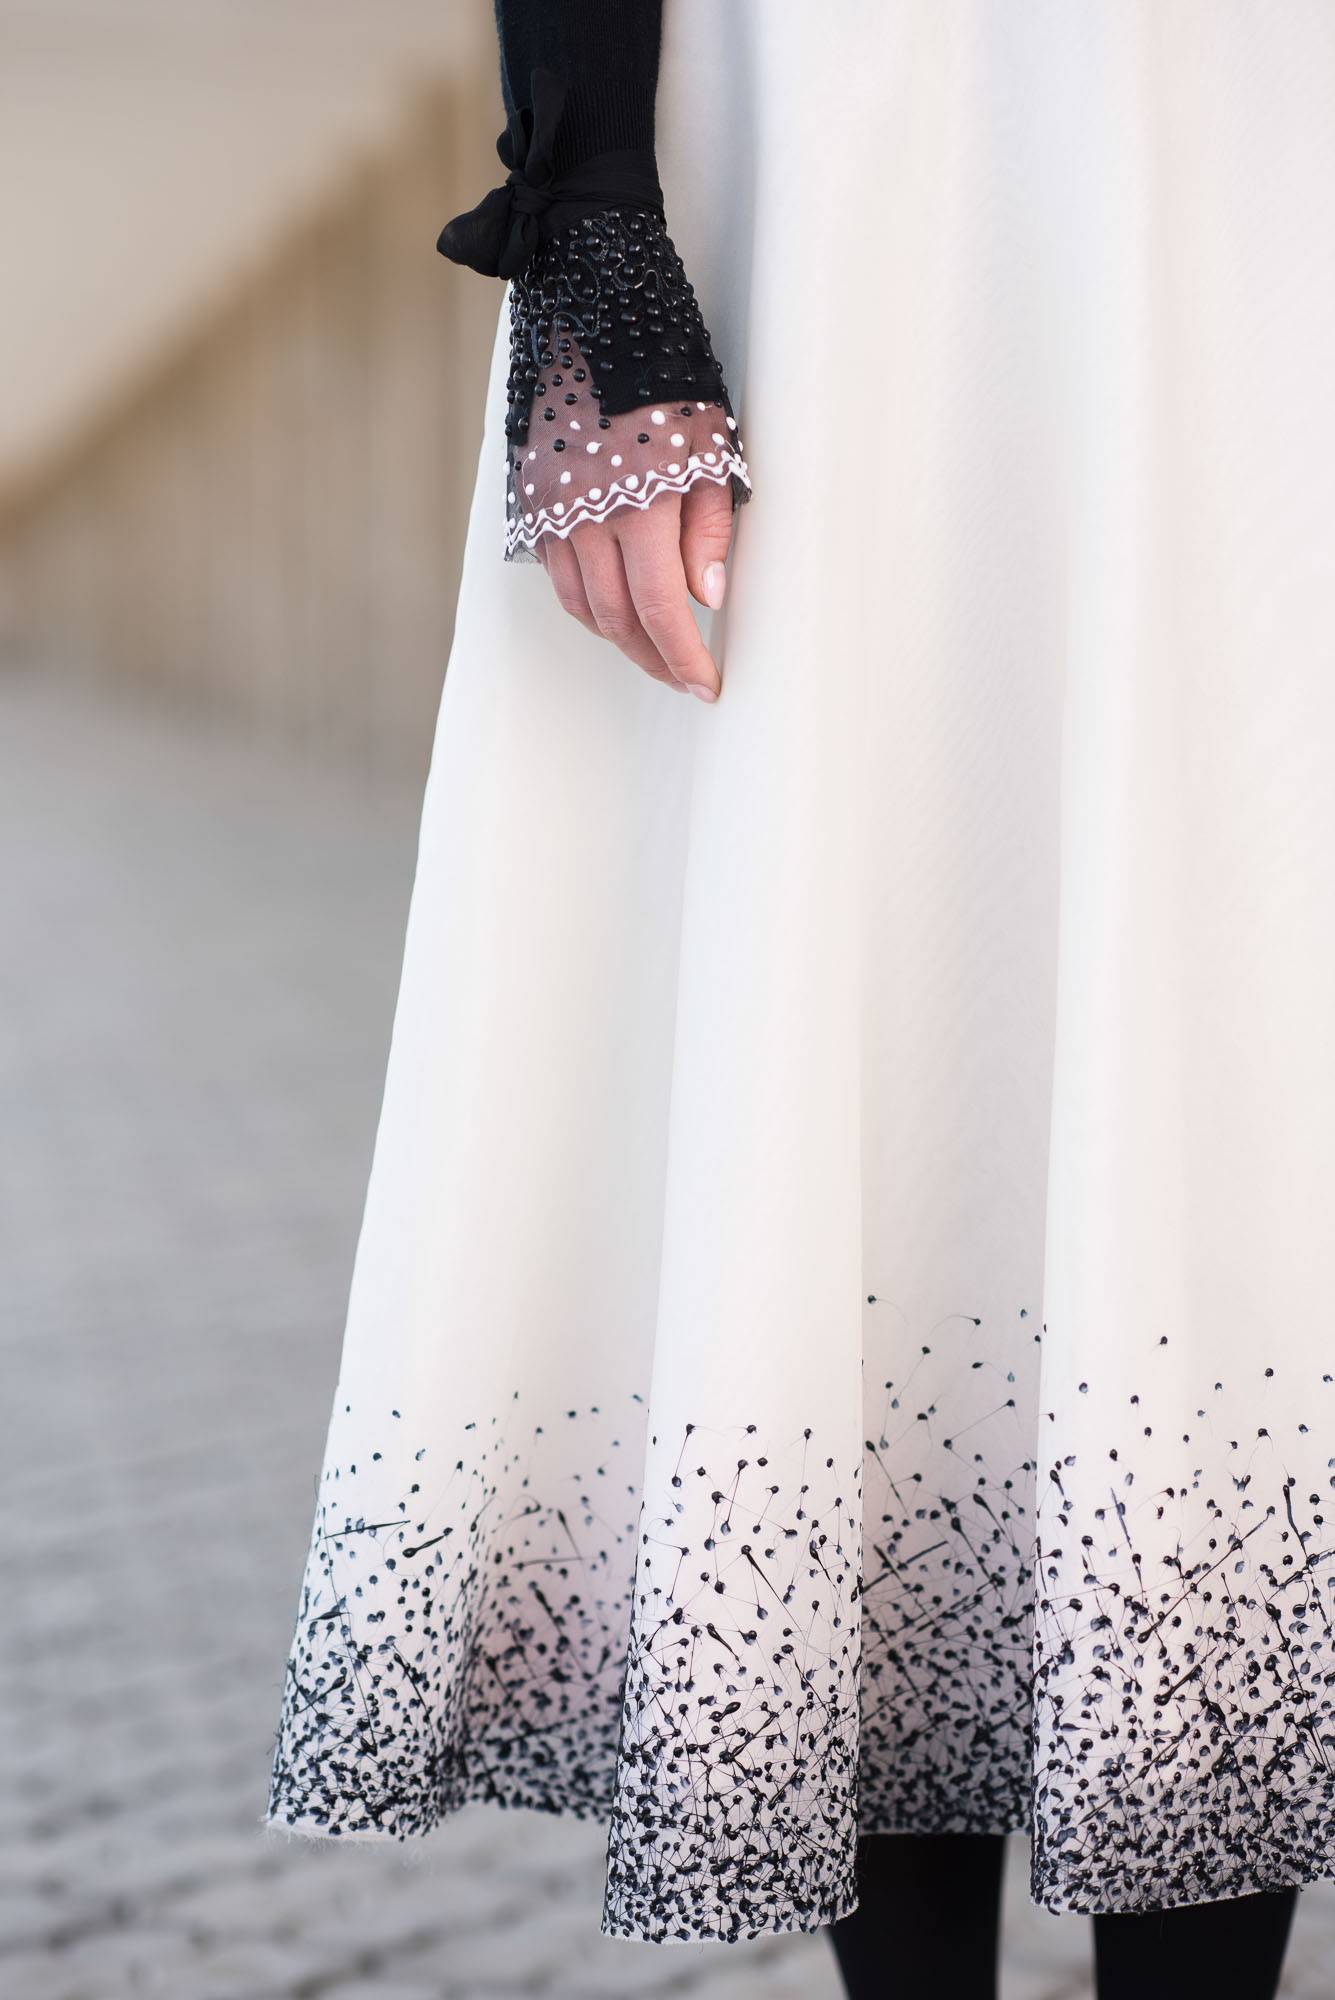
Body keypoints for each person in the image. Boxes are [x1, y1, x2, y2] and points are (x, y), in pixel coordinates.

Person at [266, 6, 1335, 1995]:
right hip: (834, 139)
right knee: (838, 981)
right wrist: (591, 210)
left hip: (1258, 150)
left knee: (1217, 986)